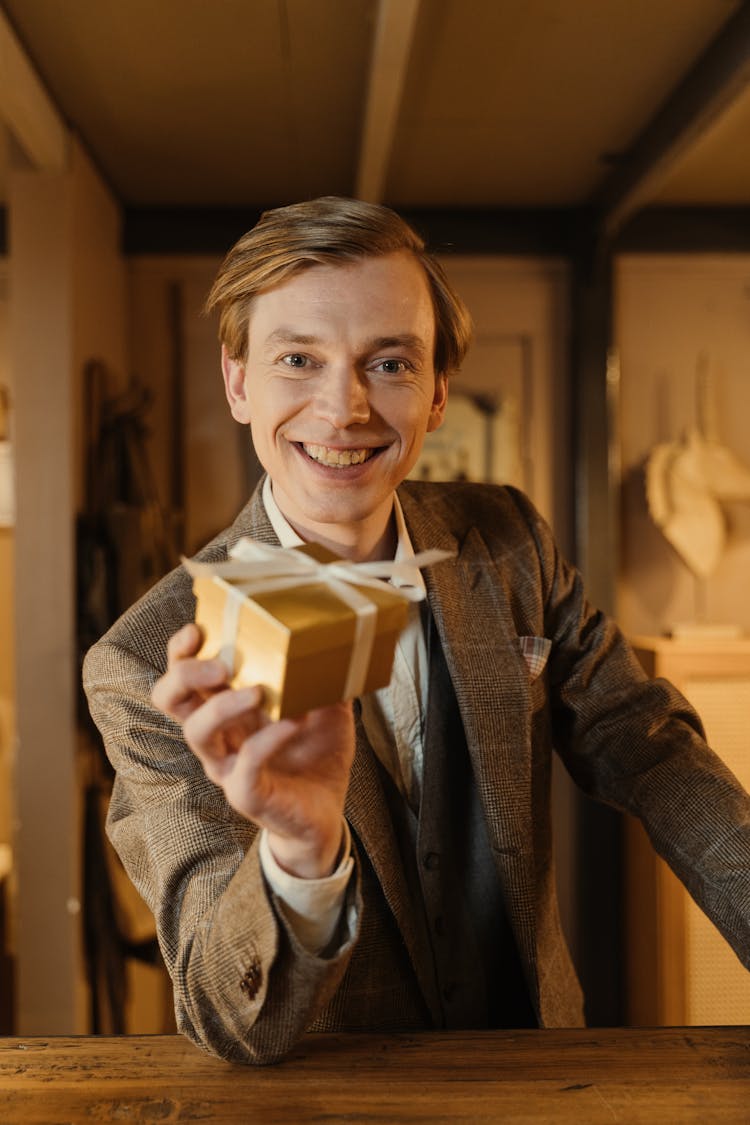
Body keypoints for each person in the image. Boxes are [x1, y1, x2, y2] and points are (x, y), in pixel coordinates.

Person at [83, 196, 750, 1065]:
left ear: (437, 394)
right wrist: (300, 852)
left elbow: (652, 746)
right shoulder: (145, 660)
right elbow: (224, 1009)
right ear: (239, 382)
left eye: (388, 363)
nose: (344, 407)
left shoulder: (509, 538)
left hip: (544, 1087)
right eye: (298, 359)